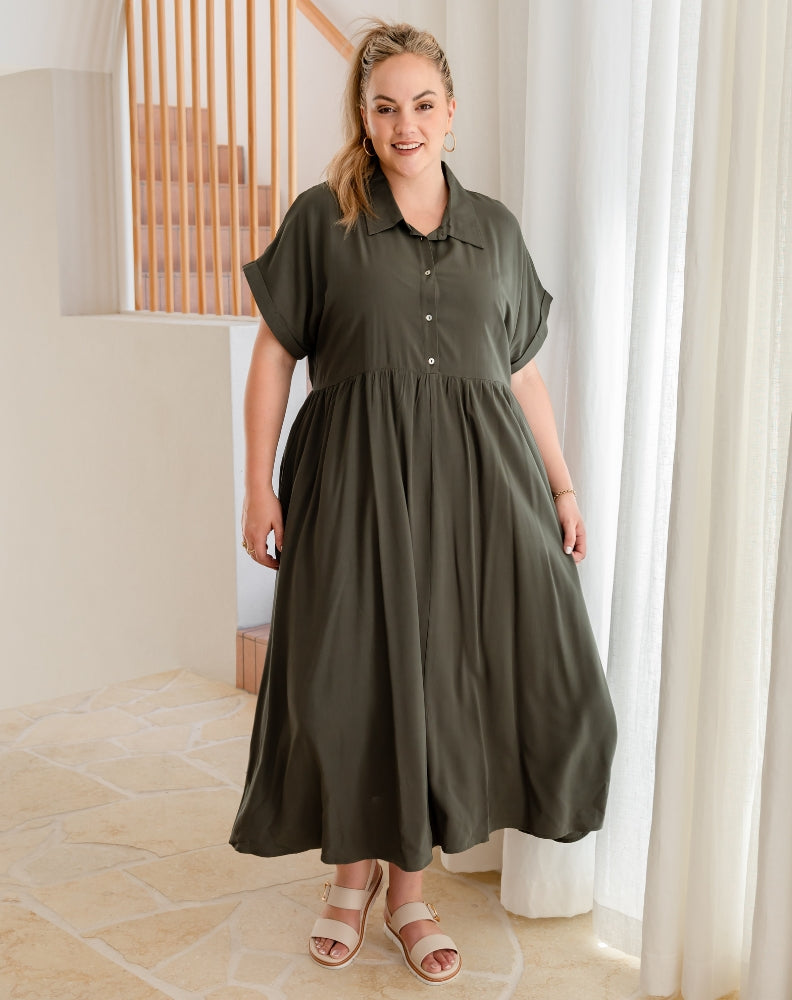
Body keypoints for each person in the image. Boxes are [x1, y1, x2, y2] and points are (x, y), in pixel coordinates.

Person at [230, 19, 617, 986]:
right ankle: (348, 879)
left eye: (423, 104)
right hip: (352, 486)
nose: (406, 124)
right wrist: (257, 483)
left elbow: (521, 374)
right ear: (364, 118)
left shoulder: (497, 231)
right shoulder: (323, 220)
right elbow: (274, 354)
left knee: (450, 682)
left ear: (452, 114)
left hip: (479, 492)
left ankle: (407, 892)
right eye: (385, 107)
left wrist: (563, 485)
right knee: (355, 680)